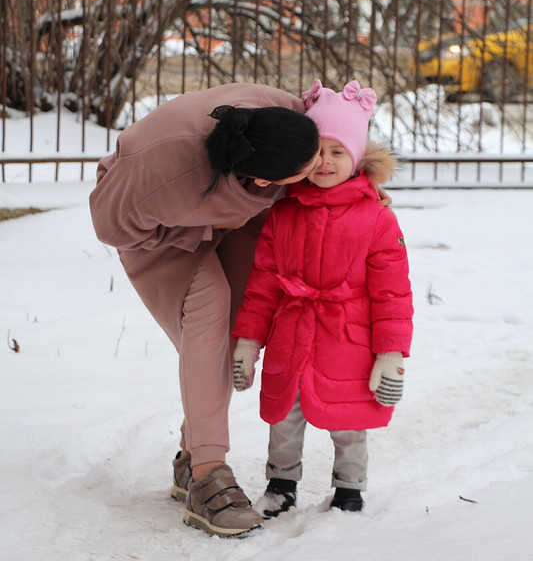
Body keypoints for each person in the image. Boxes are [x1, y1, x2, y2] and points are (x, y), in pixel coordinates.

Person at [89, 82, 322, 538]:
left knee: (240, 332)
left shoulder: (287, 114)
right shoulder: (165, 172)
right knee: (209, 308)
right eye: (309, 168)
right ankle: (207, 473)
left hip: (234, 215)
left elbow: (335, 134)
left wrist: (359, 186)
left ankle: (190, 456)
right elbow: (110, 225)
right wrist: (194, 232)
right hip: (157, 231)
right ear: (263, 182)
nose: (318, 168)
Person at [232, 79, 413, 517]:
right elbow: (262, 286)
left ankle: (349, 488)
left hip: (347, 338)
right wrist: (248, 342)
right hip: (292, 333)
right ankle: (280, 482)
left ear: (356, 157)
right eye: (318, 151)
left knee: (349, 418)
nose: (326, 162)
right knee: (284, 415)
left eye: (338, 151)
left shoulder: (377, 219)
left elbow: (393, 292)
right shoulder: (283, 213)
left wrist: (390, 353)